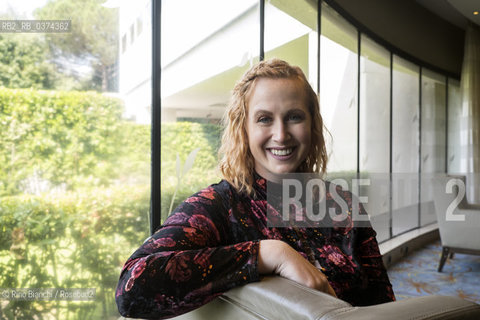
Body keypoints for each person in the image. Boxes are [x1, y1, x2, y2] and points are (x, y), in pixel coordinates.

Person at [115, 59, 395, 319]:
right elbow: (132, 287)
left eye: (294, 116)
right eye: (264, 119)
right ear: (244, 129)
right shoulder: (220, 205)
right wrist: (268, 254)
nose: (281, 134)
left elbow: (384, 303)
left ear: (313, 125)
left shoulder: (342, 203)